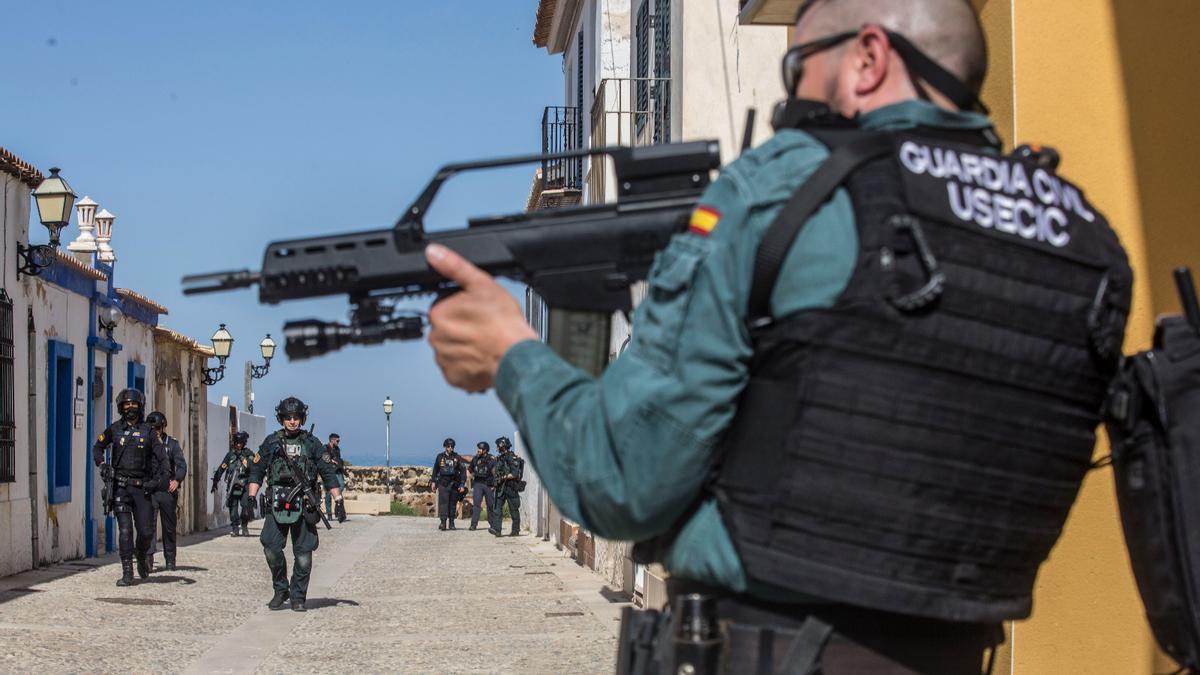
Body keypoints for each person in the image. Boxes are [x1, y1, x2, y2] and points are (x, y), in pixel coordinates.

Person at [423, 0, 1131, 671]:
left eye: (798, 68)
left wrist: (513, 353)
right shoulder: (1081, 238)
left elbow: (621, 482)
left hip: (773, 647)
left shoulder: (787, 188)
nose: (793, 94)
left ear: (868, 59)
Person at [247, 397, 342, 612]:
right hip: (277, 504)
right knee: (271, 548)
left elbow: (327, 472)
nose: (292, 421)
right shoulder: (272, 442)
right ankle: (281, 589)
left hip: (305, 505)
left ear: (302, 418)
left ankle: (298, 596)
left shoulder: (312, 443)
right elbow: (257, 470)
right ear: (281, 418)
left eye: (296, 417)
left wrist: (338, 500)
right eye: (288, 417)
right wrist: (251, 497)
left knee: (304, 556)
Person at [92, 388, 170, 587]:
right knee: (125, 531)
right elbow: (97, 447)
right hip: (120, 487)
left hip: (142, 489)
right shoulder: (115, 429)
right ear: (121, 407)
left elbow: (162, 460)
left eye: (134, 404)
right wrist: (102, 465)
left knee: (146, 532)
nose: (130, 407)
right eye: (126, 404)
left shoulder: (150, 432)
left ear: (140, 406)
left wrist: (160, 481)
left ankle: (142, 553)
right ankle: (127, 571)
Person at [146, 411, 187, 572]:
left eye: (158, 427)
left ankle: (170, 558)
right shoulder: (146, 444)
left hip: (167, 490)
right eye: (152, 427)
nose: (155, 430)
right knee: (149, 525)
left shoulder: (172, 444)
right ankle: (148, 557)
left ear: (163, 427)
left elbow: (181, 465)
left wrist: (177, 480)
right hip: (150, 490)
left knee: (169, 527)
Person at [211, 431, 255, 537]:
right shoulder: (230, 455)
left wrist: (243, 458)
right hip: (233, 486)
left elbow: (253, 466)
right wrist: (215, 480)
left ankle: (244, 526)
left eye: (240, 443)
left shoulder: (248, 453)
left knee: (245, 508)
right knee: (233, 509)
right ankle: (235, 528)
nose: (238, 445)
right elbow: (222, 467)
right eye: (237, 443)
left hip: (244, 485)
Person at [489, 437, 523, 537]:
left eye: (498, 446)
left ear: (502, 446)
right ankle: (497, 529)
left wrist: (503, 477)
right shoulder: (500, 458)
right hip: (500, 487)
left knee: (513, 509)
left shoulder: (511, 457)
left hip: (510, 487)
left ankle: (515, 530)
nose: (496, 448)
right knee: (497, 508)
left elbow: (515, 474)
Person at [432, 438, 465, 531]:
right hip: (443, 483)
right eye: (448, 446)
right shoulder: (440, 457)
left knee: (452, 504)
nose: (450, 448)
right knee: (443, 503)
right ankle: (443, 523)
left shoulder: (457, 457)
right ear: (445, 447)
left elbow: (463, 471)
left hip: (454, 483)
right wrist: (433, 482)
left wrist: (462, 484)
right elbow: (435, 470)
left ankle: (451, 523)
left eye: (452, 446)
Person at [467, 441, 495, 531]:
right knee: (476, 505)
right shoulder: (475, 459)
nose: (478, 450)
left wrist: (494, 485)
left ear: (485, 450)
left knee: (490, 505)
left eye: (480, 449)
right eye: (478, 448)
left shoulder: (491, 459)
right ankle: (473, 525)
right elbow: (469, 470)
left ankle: (493, 524)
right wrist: (470, 477)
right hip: (478, 484)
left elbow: (495, 473)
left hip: (488, 484)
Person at [322, 433, 347, 523]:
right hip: (329, 472)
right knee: (328, 493)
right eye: (337, 440)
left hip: (338, 471)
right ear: (332, 440)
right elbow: (324, 458)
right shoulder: (325, 448)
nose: (338, 442)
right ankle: (329, 514)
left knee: (341, 486)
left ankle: (337, 505)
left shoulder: (337, 449)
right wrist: (332, 461)